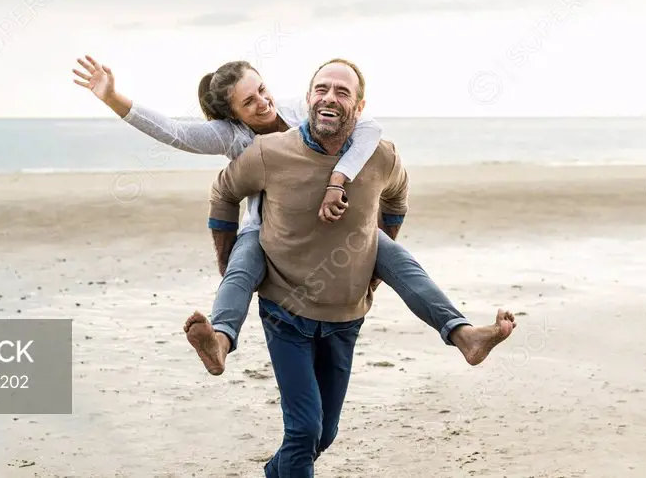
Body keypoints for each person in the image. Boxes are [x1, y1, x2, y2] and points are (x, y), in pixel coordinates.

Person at [71, 54, 509, 375]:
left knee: (401, 262)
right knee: (240, 268)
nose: (263, 104)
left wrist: (340, 180)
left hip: (336, 229)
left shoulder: (303, 109)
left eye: (262, 91)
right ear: (231, 115)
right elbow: (174, 132)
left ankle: (463, 334)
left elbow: (369, 128)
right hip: (270, 231)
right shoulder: (233, 137)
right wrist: (112, 96)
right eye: (249, 102)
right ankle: (220, 342)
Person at [205, 59, 515, 476]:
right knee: (303, 430)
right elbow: (223, 192)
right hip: (285, 313)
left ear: (359, 106)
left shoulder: (381, 156)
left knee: (323, 435)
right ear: (308, 97)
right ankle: (222, 338)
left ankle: (274, 472)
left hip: (345, 315)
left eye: (342, 92)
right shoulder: (269, 152)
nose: (329, 97)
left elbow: (398, 197)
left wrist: (374, 258)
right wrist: (225, 256)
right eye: (321, 89)